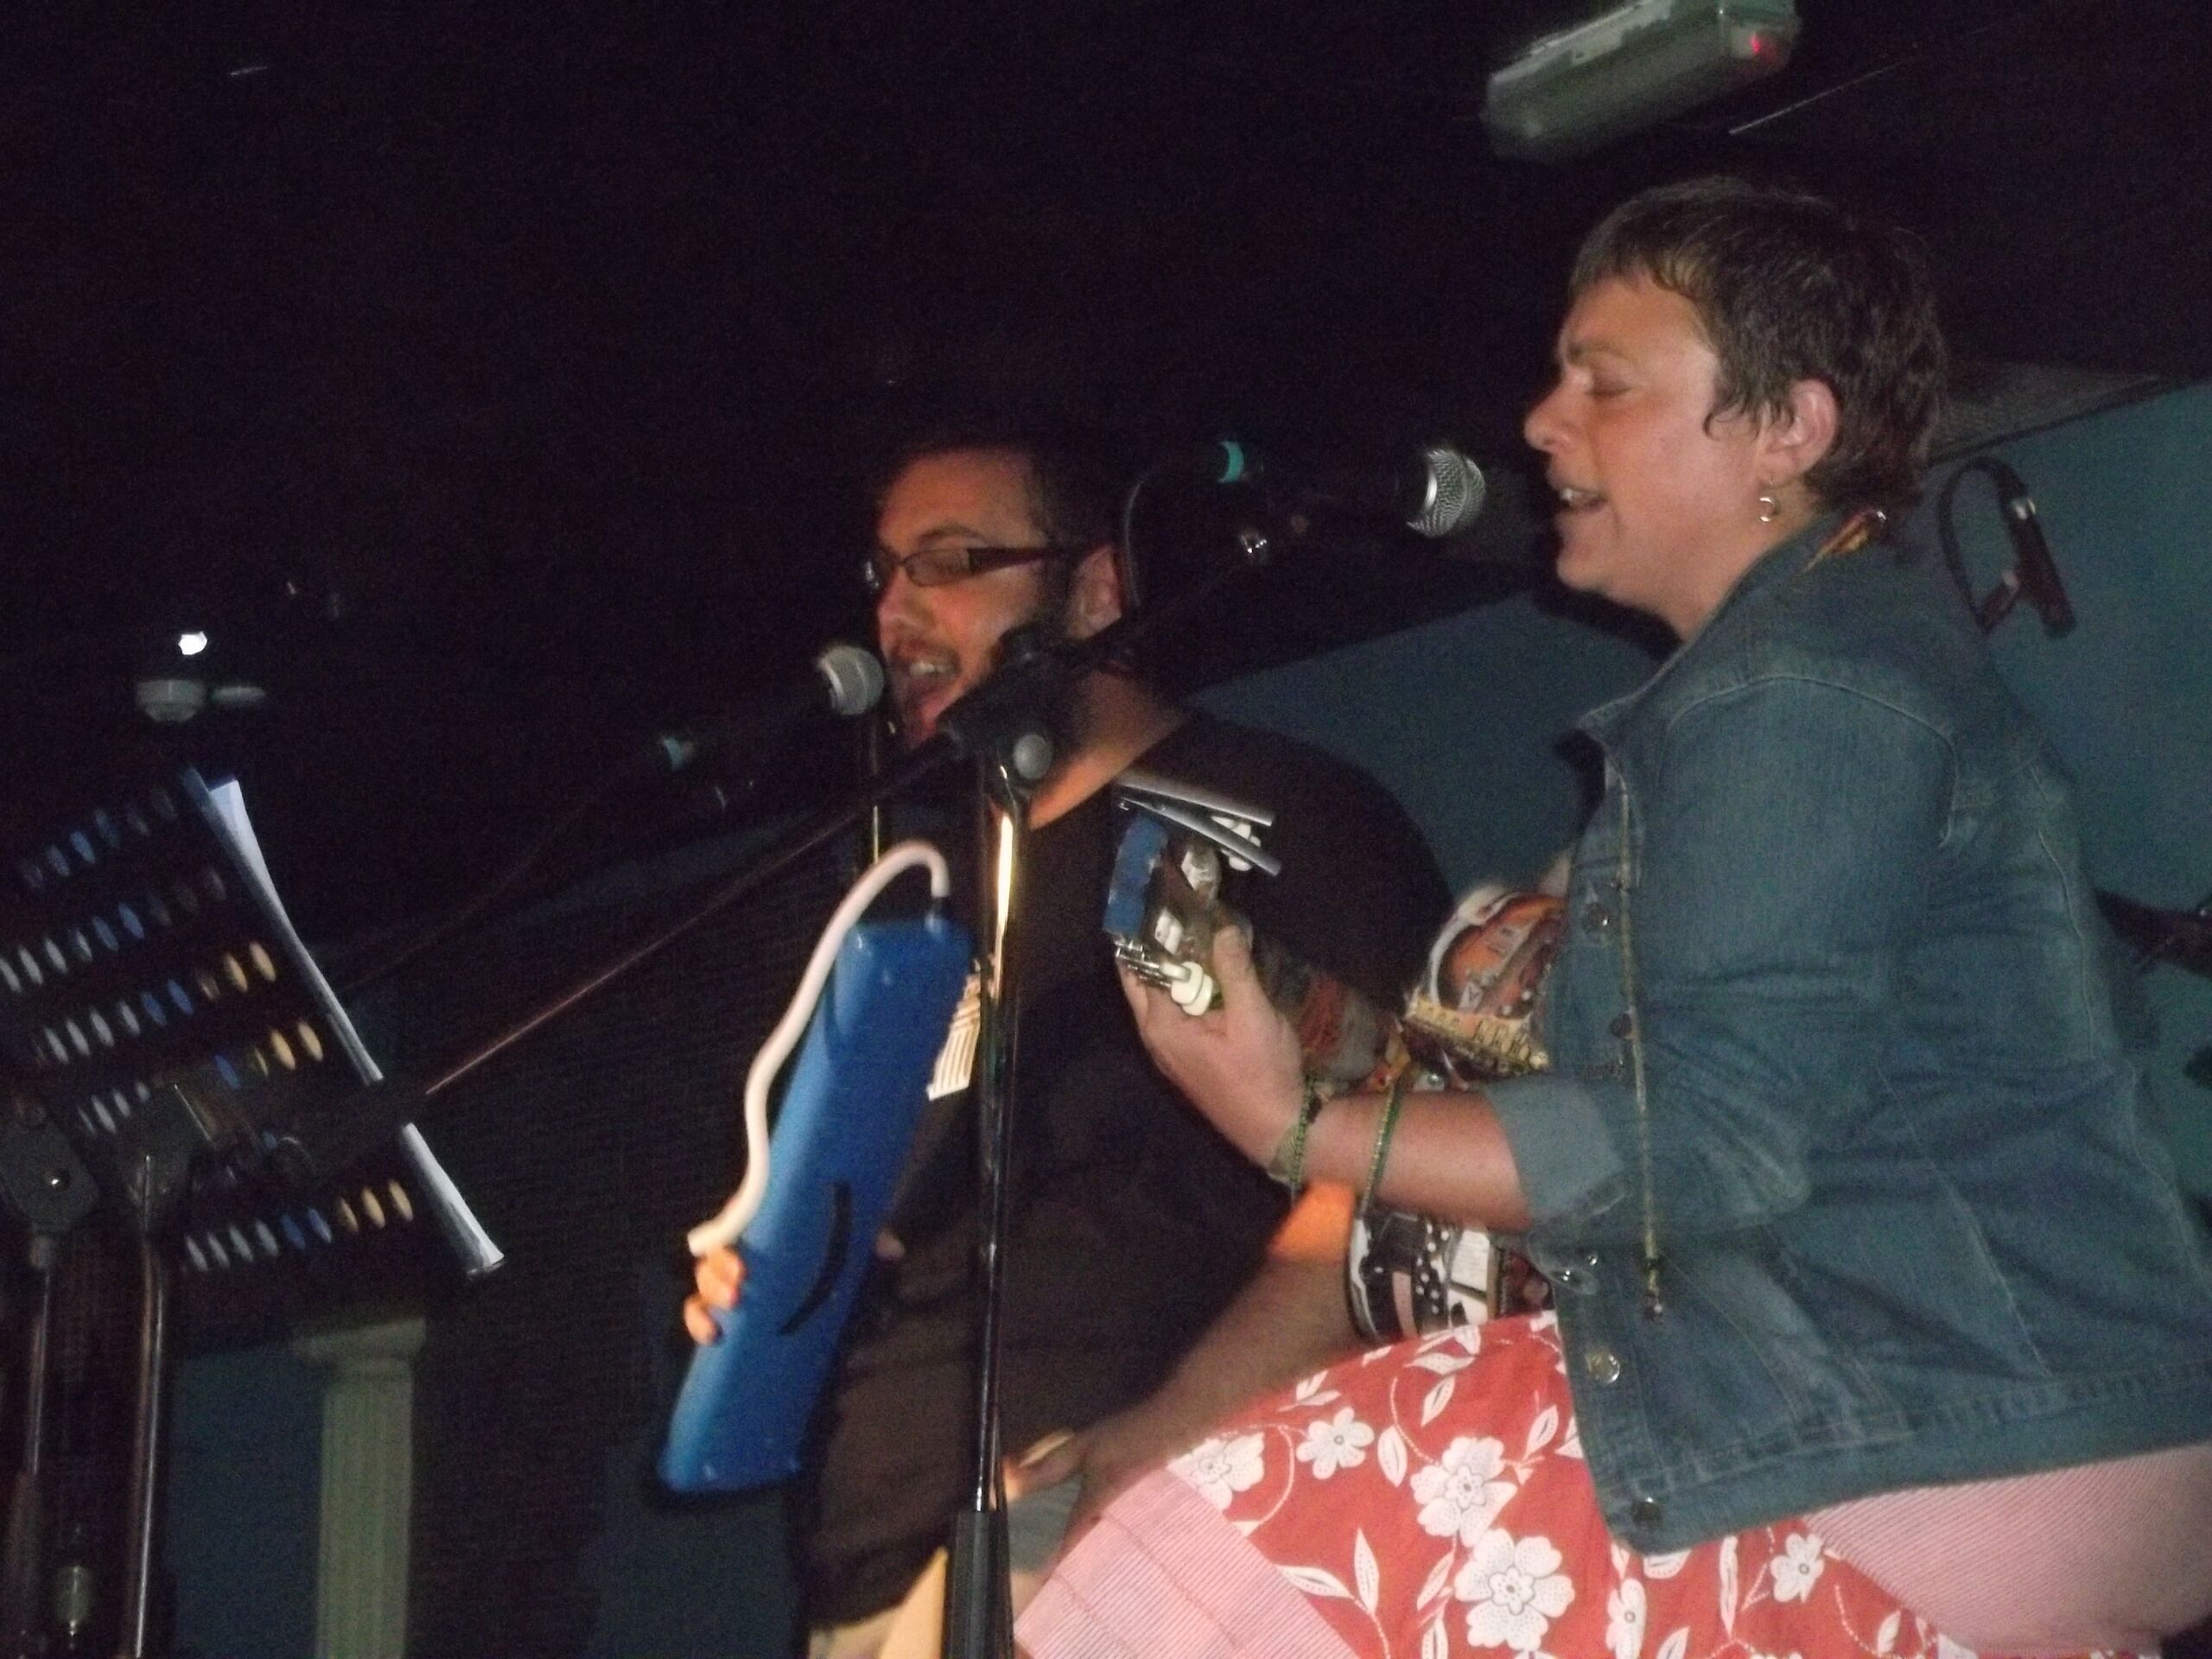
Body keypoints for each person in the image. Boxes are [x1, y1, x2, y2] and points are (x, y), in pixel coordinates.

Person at [1019, 178, 2212, 1659]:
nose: (1540, 421)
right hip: (1975, 1416)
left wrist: (1296, 1122)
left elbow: (1704, 1144)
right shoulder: (1816, 671)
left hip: (1946, 1421)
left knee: (1228, 1559)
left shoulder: (1802, 688)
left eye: (1607, 381)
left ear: (1790, 428)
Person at [684, 427, 1452, 1657]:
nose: (895, 613)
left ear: (1094, 591)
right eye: (883, 574)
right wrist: (778, 1275)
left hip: (1136, 1520)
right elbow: (878, 1232)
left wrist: (1166, 1436)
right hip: (875, 1564)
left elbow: (1401, 1183)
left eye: (948, 563)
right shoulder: (913, 901)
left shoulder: (1279, 817)